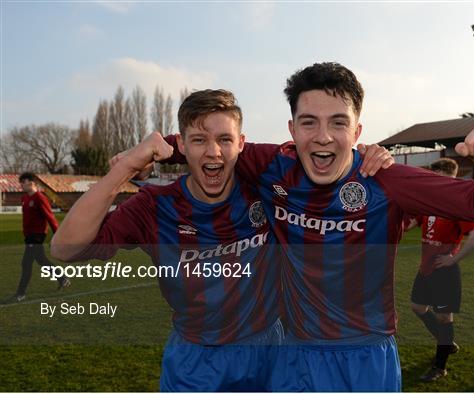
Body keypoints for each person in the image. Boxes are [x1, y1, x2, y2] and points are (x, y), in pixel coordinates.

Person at [160, 62, 474, 391]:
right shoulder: (273, 166)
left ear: (357, 131)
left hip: (364, 358)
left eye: (338, 122)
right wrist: (151, 152)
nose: (323, 136)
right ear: (292, 129)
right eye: (309, 122)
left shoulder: (385, 180)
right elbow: (213, 145)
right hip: (292, 354)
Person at [51, 89, 392, 391]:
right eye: (199, 140)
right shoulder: (155, 205)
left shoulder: (267, 192)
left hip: (269, 352)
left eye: (225, 140)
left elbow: (326, 162)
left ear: (240, 144)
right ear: (180, 146)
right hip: (196, 360)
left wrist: (367, 155)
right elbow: (64, 249)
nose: (213, 152)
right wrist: (126, 166)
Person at [405, 158, 474, 382]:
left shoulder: (457, 204)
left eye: (435, 176)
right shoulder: (430, 203)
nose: (432, 180)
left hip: (444, 272)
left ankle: (439, 367)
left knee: (443, 316)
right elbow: (411, 223)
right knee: (417, 306)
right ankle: (446, 342)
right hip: (426, 269)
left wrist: (453, 259)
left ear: (448, 177)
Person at [9, 172, 70, 302]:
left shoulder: (40, 198)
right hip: (29, 236)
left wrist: (57, 235)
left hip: (37, 236)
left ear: (31, 183)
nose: (21, 185)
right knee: (42, 260)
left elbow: (50, 217)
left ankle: (20, 293)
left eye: (23, 182)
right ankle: (63, 278)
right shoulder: (24, 198)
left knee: (26, 263)